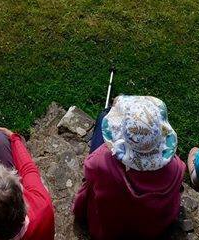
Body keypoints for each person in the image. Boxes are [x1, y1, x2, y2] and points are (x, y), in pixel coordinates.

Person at [73, 95, 185, 240]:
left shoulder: (100, 162)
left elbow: (88, 173)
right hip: (149, 232)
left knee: (103, 114)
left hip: (107, 232)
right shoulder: (176, 169)